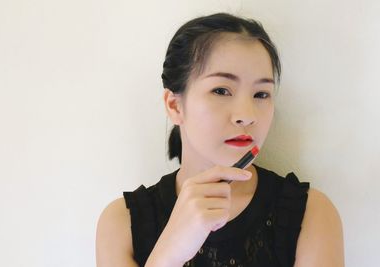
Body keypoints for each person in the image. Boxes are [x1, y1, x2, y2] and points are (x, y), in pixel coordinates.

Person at [96, 13, 344, 267]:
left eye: (261, 94)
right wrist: (168, 254)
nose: (247, 116)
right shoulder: (120, 224)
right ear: (174, 105)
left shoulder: (312, 214)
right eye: (221, 90)